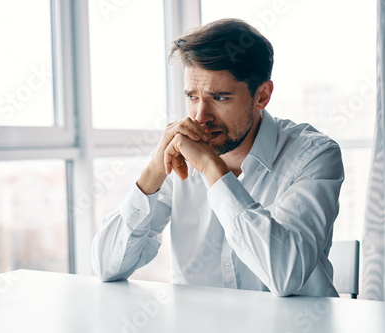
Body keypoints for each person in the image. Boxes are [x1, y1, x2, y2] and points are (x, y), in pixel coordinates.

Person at [91, 18, 344, 297]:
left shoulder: (314, 155)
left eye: (220, 98)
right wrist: (153, 170)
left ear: (262, 96)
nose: (200, 116)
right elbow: (106, 267)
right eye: (192, 96)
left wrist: (214, 171)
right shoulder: (177, 156)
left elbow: (287, 276)